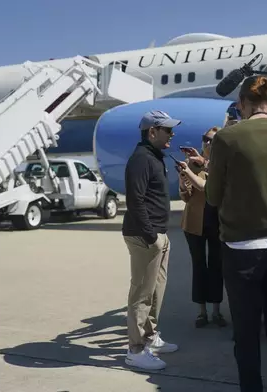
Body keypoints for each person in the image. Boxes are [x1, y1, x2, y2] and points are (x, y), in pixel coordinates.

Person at [205, 75, 267, 392]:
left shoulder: (227, 138)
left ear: (243, 104)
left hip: (240, 248)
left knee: (246, 336)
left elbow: (212, 197)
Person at [121, 110, 182, 370]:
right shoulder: (141, 159)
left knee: (156, 291)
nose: (172, 134)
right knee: (142, 294)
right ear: (152, 132)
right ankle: (135, 350)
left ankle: (150, 337)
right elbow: (135, 200)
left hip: (158, 233)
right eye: (167, 130)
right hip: (145, 235)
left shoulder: (155, 157)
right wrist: (150, 236)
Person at [179, 126, 226, 328]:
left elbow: (216, 184)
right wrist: (184, 178)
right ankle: (201, 312)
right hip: (194, 224)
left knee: (217, 266)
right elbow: (186, 196)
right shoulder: (192, 165)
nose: (208, 143)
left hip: (218, 223)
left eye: (212, 140)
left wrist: (202, 165)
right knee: (199, 266)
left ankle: (216, 311)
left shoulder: (222, 163)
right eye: (205, 139)